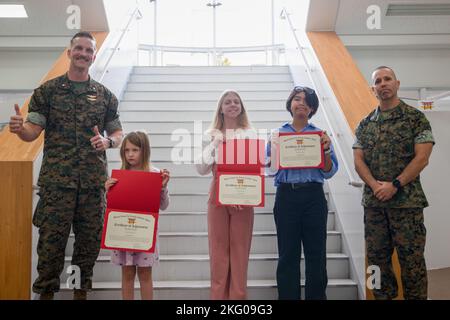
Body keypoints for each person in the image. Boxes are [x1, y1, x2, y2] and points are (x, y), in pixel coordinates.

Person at [9, 31, 123, 300]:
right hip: (57, 186)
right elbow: (32, 132)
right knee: (51, 246)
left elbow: (118, 134)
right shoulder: (47, 92)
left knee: (87, 247)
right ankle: (46, 294)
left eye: (88, 51)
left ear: (94, 57)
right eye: (79, 49)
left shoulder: (106, 96)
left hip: (92, 187)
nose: (83, 54)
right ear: (69, 52)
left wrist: (107, 142)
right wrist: (19, 130)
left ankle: (79, 294)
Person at [353, 66, 434, 300]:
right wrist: (375, 186)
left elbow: (422, 158)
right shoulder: (365, 124)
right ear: (373, 89)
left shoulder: (416, 118)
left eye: (387, 79)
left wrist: (394, 185)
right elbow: (358, 160)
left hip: (407, 205)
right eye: (378, 81)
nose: (383, 84)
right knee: (376, 263)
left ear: (397, 84)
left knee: (412, 263)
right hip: (374, 206)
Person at [267, 86, 338, 300]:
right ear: (290, 104)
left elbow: (329, 171)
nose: (302, 103)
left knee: (316, 256)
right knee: (287, 255)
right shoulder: (276, 135)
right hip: (286, 197)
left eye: (307, 101)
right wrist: (274, 156)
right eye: (297, 99)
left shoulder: (320, 135)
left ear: (312, 108)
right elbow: (270, 171)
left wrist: (325, 150)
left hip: (313, 198)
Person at [196, 90, 256, 299]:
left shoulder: (250, 133)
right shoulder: (211, 134)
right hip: (217, 196)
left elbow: (254, 167)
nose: (232, 105)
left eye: (236, 102)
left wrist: (241, 195)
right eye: (227, 102)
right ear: (221, 108)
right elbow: (201, 168)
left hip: (243, 195)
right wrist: (216, 142)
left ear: (241, 107)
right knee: (219, 252)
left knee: (240, 252)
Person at [105, 131, 170, 300]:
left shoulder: (155, 173)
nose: (130, 154)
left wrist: (162, 187)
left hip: (144, 235)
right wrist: (107, 191)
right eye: (127, 150)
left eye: (135, 150)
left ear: (144, 150)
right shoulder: (119, 176)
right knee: (126, 275)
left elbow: (163, 206)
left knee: (145, 275)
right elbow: (113, 209)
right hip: (124, 235)